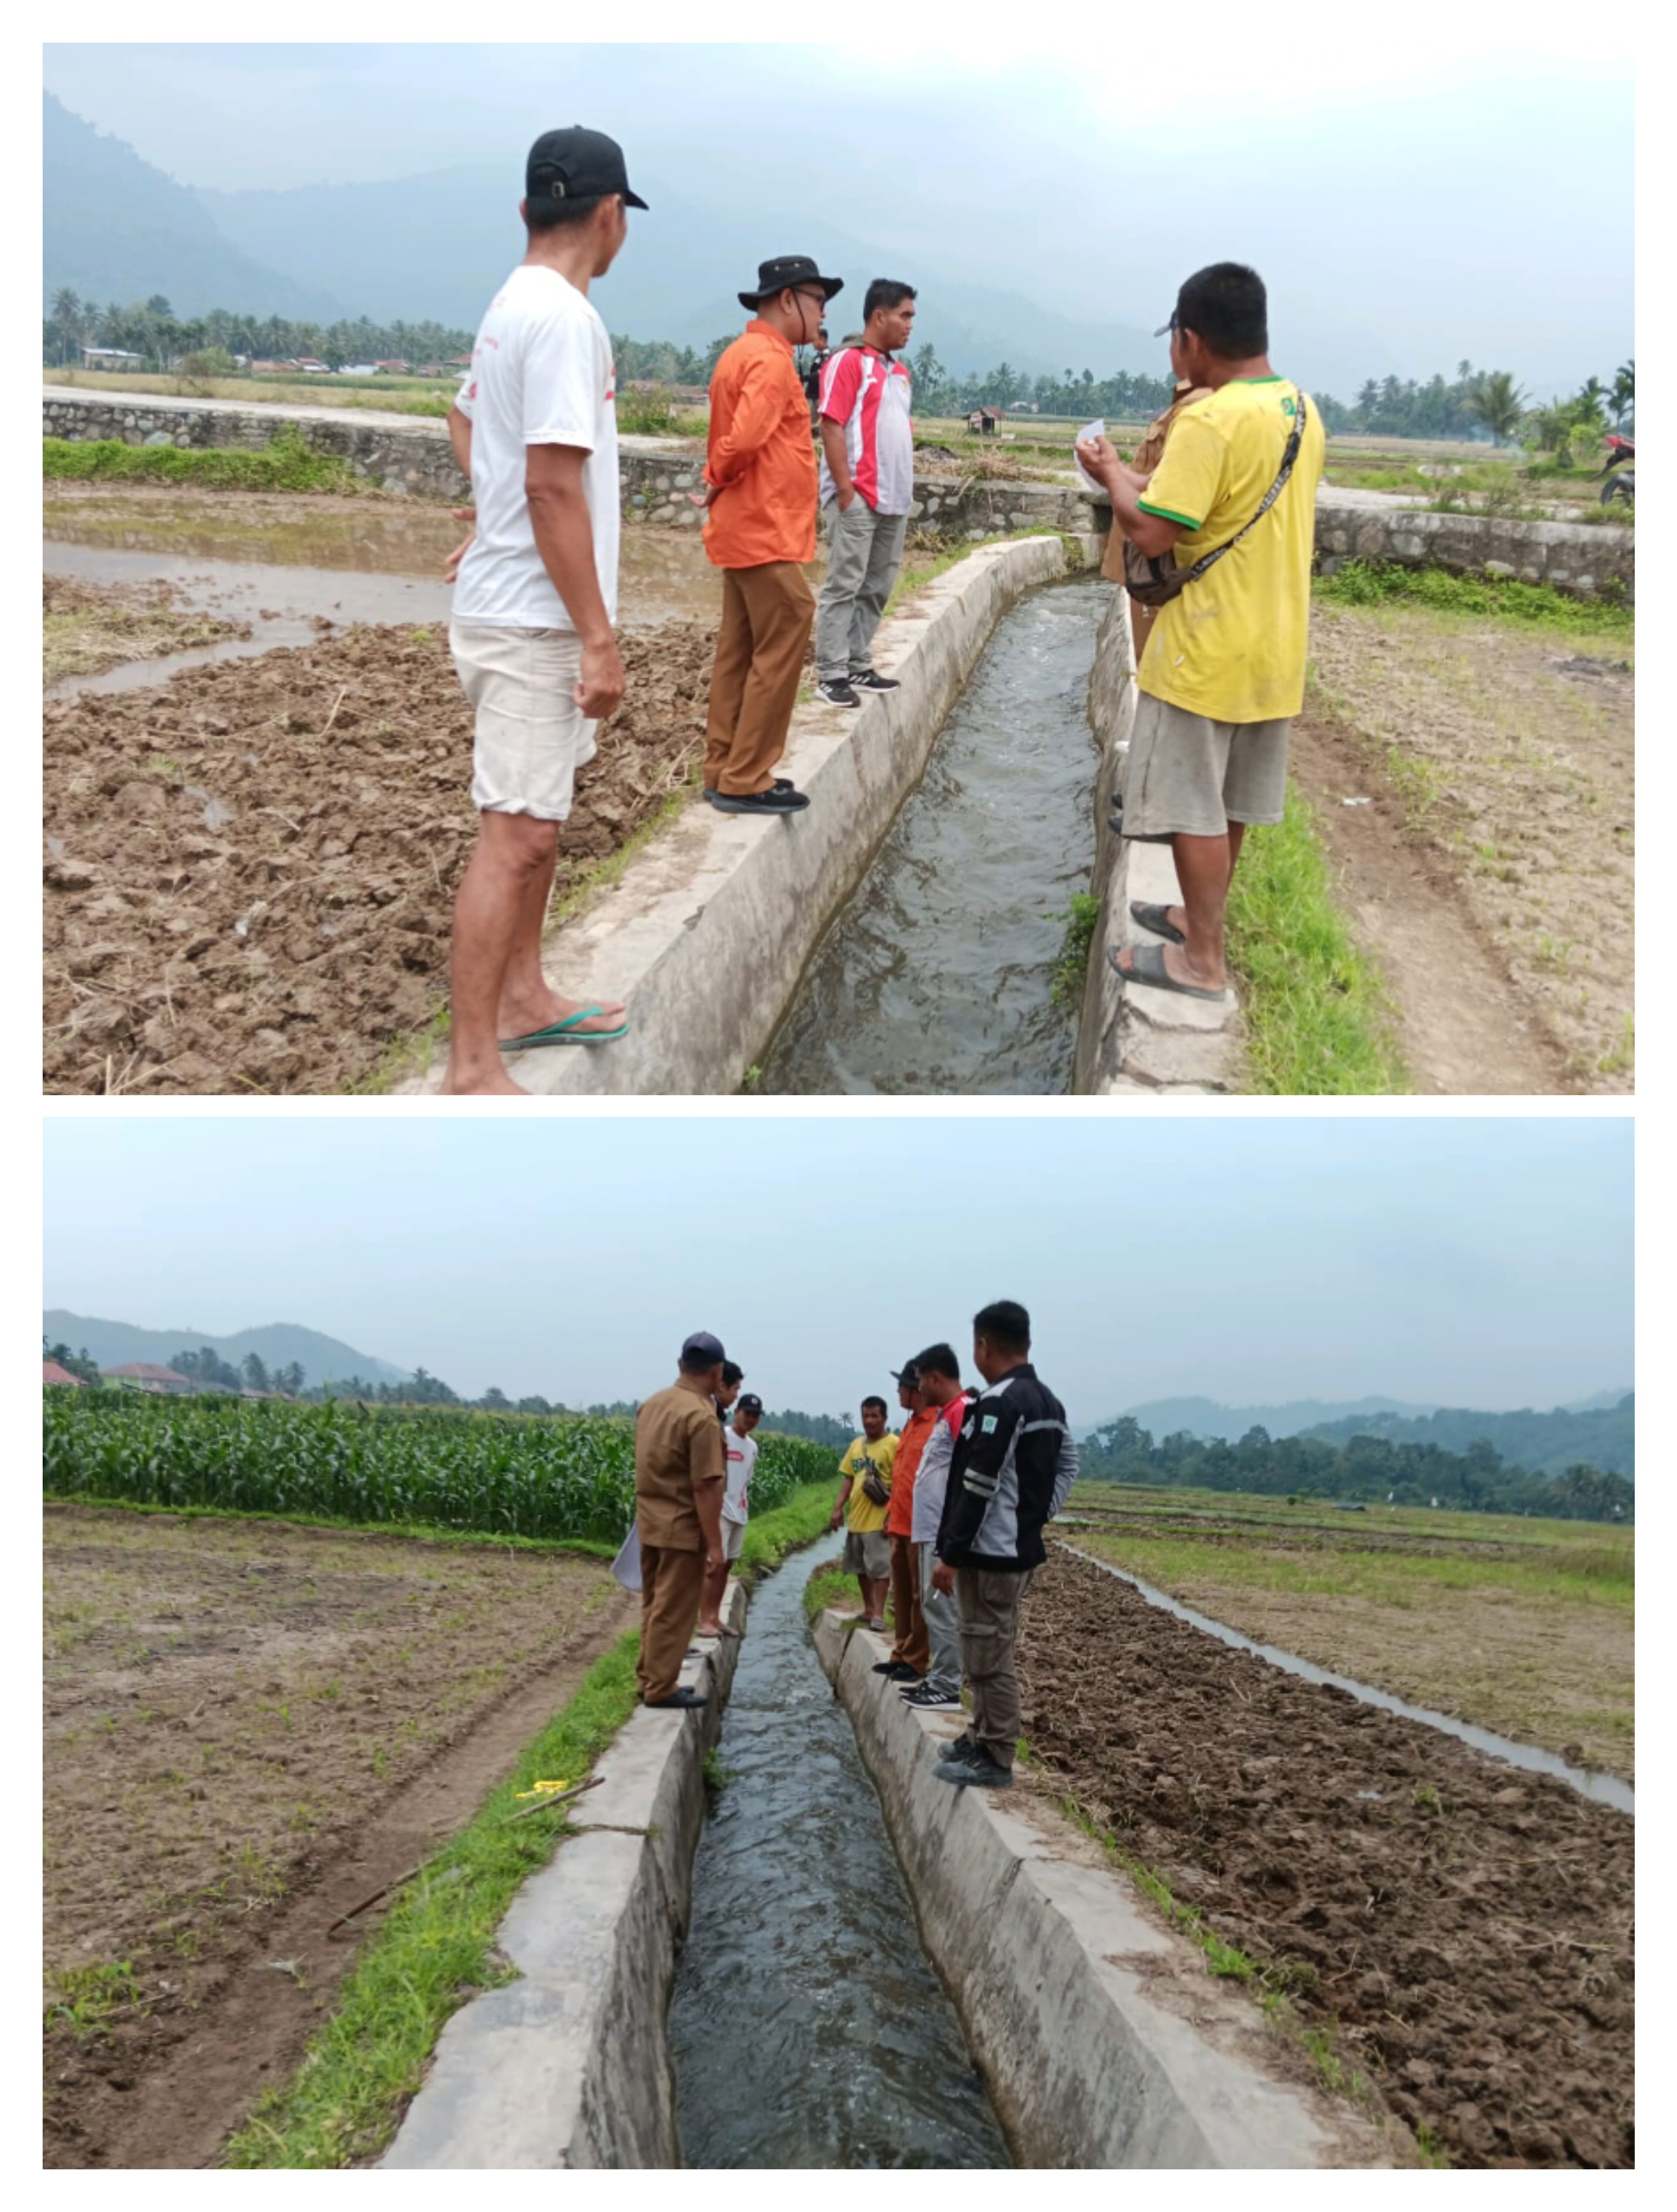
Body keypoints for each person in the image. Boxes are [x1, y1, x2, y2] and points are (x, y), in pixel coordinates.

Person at [440, 127, 647, 1095]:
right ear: (611, 217)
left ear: (528, 211)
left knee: (540, 823)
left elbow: (468, 419)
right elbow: (553, 488)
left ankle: (525, 998)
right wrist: (599, 638)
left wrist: (487, 515)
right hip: (531, 623)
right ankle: (473, 1065)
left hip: (517, 603)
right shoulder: (564, 318)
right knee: (516, 834)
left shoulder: (509, 303)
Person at [1074, 264, 1324, 1003]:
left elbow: (1151, 531)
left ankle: (1201, 963)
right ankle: (1194, 919)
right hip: (1274, 642)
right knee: (1229, 804)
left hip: (1206, 644)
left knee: (1190, 807)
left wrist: (1112, 469)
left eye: (1174, 342)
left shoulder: (1207, 421)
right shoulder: (1301, 411)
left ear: (1190, 340)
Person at [691, 255, 845, 816]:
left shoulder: (740, 354)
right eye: (818, 301)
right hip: (762, 530)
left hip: (746, 526)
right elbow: (746, 439)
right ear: (787, 301)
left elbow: (734, 440)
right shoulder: (771, 361)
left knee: (739, 649)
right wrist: (714, 478)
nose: (822, 313)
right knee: (790, 623)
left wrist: (716, 481)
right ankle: (747, 775)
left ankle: (722, 766)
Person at [932, 1301, 1078, 1786]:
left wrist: (951, 1553)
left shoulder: (1001, 1402)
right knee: (982, 1648)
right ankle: (978, 1737)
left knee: (990, 1658)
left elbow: (979, 1483)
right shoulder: (1049, 1403)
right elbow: (1069, 1467)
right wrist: (1036, 1517)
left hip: (991, 1555)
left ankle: (996, 1756)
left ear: (983, 1345)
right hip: (1009, 1548)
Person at [813, 281, 918, 709]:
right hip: (858, 495)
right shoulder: (848, 362)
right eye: (905, 316)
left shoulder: (899, 372)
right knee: (845, 584)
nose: (910, 325)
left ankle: (857, 662)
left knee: (877, 585)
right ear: (880, 317)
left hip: (893, 497)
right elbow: (832, 424)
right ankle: (831, 672)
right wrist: (844, 491)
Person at [633, 1331, 728, 1708]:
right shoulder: (701, 1417)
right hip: (681, 1529)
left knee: (655, 1606)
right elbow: (705, 1486)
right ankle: (661, 1688)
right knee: (674, 1612)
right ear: (717, 1372)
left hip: (650, 1522)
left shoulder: (653, 1405)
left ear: (680, 1365)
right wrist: (715, 1545)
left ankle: (650, 1678)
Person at [900, 1345, 971, 1714]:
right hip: (928, 1529)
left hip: (940, 1530)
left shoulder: (962, 1412)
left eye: (922, 1380)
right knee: (932, 1605)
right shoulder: (947, 1414)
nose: (920, 1388)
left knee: (942, 1607)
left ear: (936, 1377)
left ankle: (945, 1687)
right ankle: (938, 1677)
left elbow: (968, 1476)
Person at [872, 1361, 934, 1685]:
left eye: (902, 1386)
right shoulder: (910, 1426)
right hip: (900, 1524)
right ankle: (901, 1652)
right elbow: (901, 1479)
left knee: (919, 1598)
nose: (898, 1392)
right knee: (903, 1592)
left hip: (920, 1527)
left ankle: (916, 1659)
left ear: (916, 1389)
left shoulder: (936, 1424)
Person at [830, 1395, 898, 1630]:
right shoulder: (856, 1446)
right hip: (857, 1519)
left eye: (874, 1416)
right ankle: (869, 1608)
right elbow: (848, 1478)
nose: (870, 1421)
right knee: (860, 1568)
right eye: (866, 1416)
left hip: (879, 1519)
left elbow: (901, 1482)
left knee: (880, 1568)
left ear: (884, 1418)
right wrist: (838, 1509)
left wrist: (893, 1515)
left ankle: (878, 1614)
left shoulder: (893, 1444)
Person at [698, 1391, 762, 1639]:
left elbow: (746, 1479)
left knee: (727, 1567)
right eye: (747, 1414)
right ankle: (705, 1619)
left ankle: (716, 1617)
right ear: (737, 1413)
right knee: (713, 1566)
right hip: (721, 1510)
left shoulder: (752, 1447)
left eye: (756, 1416)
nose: (751, 1419)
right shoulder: (722, 1436)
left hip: (740, 1512)